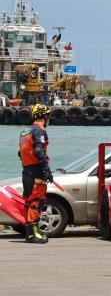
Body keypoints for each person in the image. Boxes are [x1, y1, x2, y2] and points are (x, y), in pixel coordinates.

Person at [20, 104, 53, 244]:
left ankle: (29, 233)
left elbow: (20, 153)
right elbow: (39, 150)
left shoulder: (24, 132)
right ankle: (34, 234)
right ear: (45, 116)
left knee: (28, 201)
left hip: (26, 170)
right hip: (36, 171)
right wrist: (46, 169)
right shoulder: (40, 131)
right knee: (36, 201)